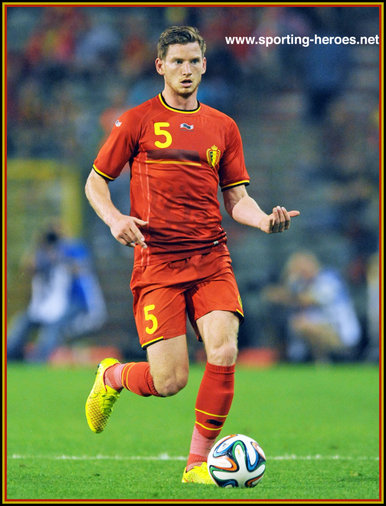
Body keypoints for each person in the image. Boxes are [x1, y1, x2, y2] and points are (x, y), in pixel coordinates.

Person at [84, 25, 300, 485]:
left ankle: (196, 466)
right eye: (177, 61)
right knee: (170, 382)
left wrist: (263, 220)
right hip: (157, 262)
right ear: (160, 66)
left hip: (210, 259)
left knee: (224, 350)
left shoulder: (223, 126)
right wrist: (114, 219)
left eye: (194, 61)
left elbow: (237, 199)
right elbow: (95, 181)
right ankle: (113, 377)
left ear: (204, 65)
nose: (186, 69)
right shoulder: (136, 120)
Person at [7, 224, 106, 363]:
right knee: (21, 323)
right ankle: (9, 356)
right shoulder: (42, 254)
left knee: (53, 328)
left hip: (70, 305)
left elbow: (81, 269)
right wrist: (40, 245)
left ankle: (38, 360)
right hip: (43, 308)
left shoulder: (71, 250)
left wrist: (62, 254)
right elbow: (28, 266)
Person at [262, 250, 362, 363]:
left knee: (303, 325)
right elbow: (274, 294)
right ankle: (305, 359)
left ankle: (324, 360)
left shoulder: (329, 278)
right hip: (317, 330)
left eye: (302, 267)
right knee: (291, 321)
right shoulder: (300, 284)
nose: (301, 271)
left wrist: (282, 295)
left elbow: (308, 300)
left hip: (340, 333)